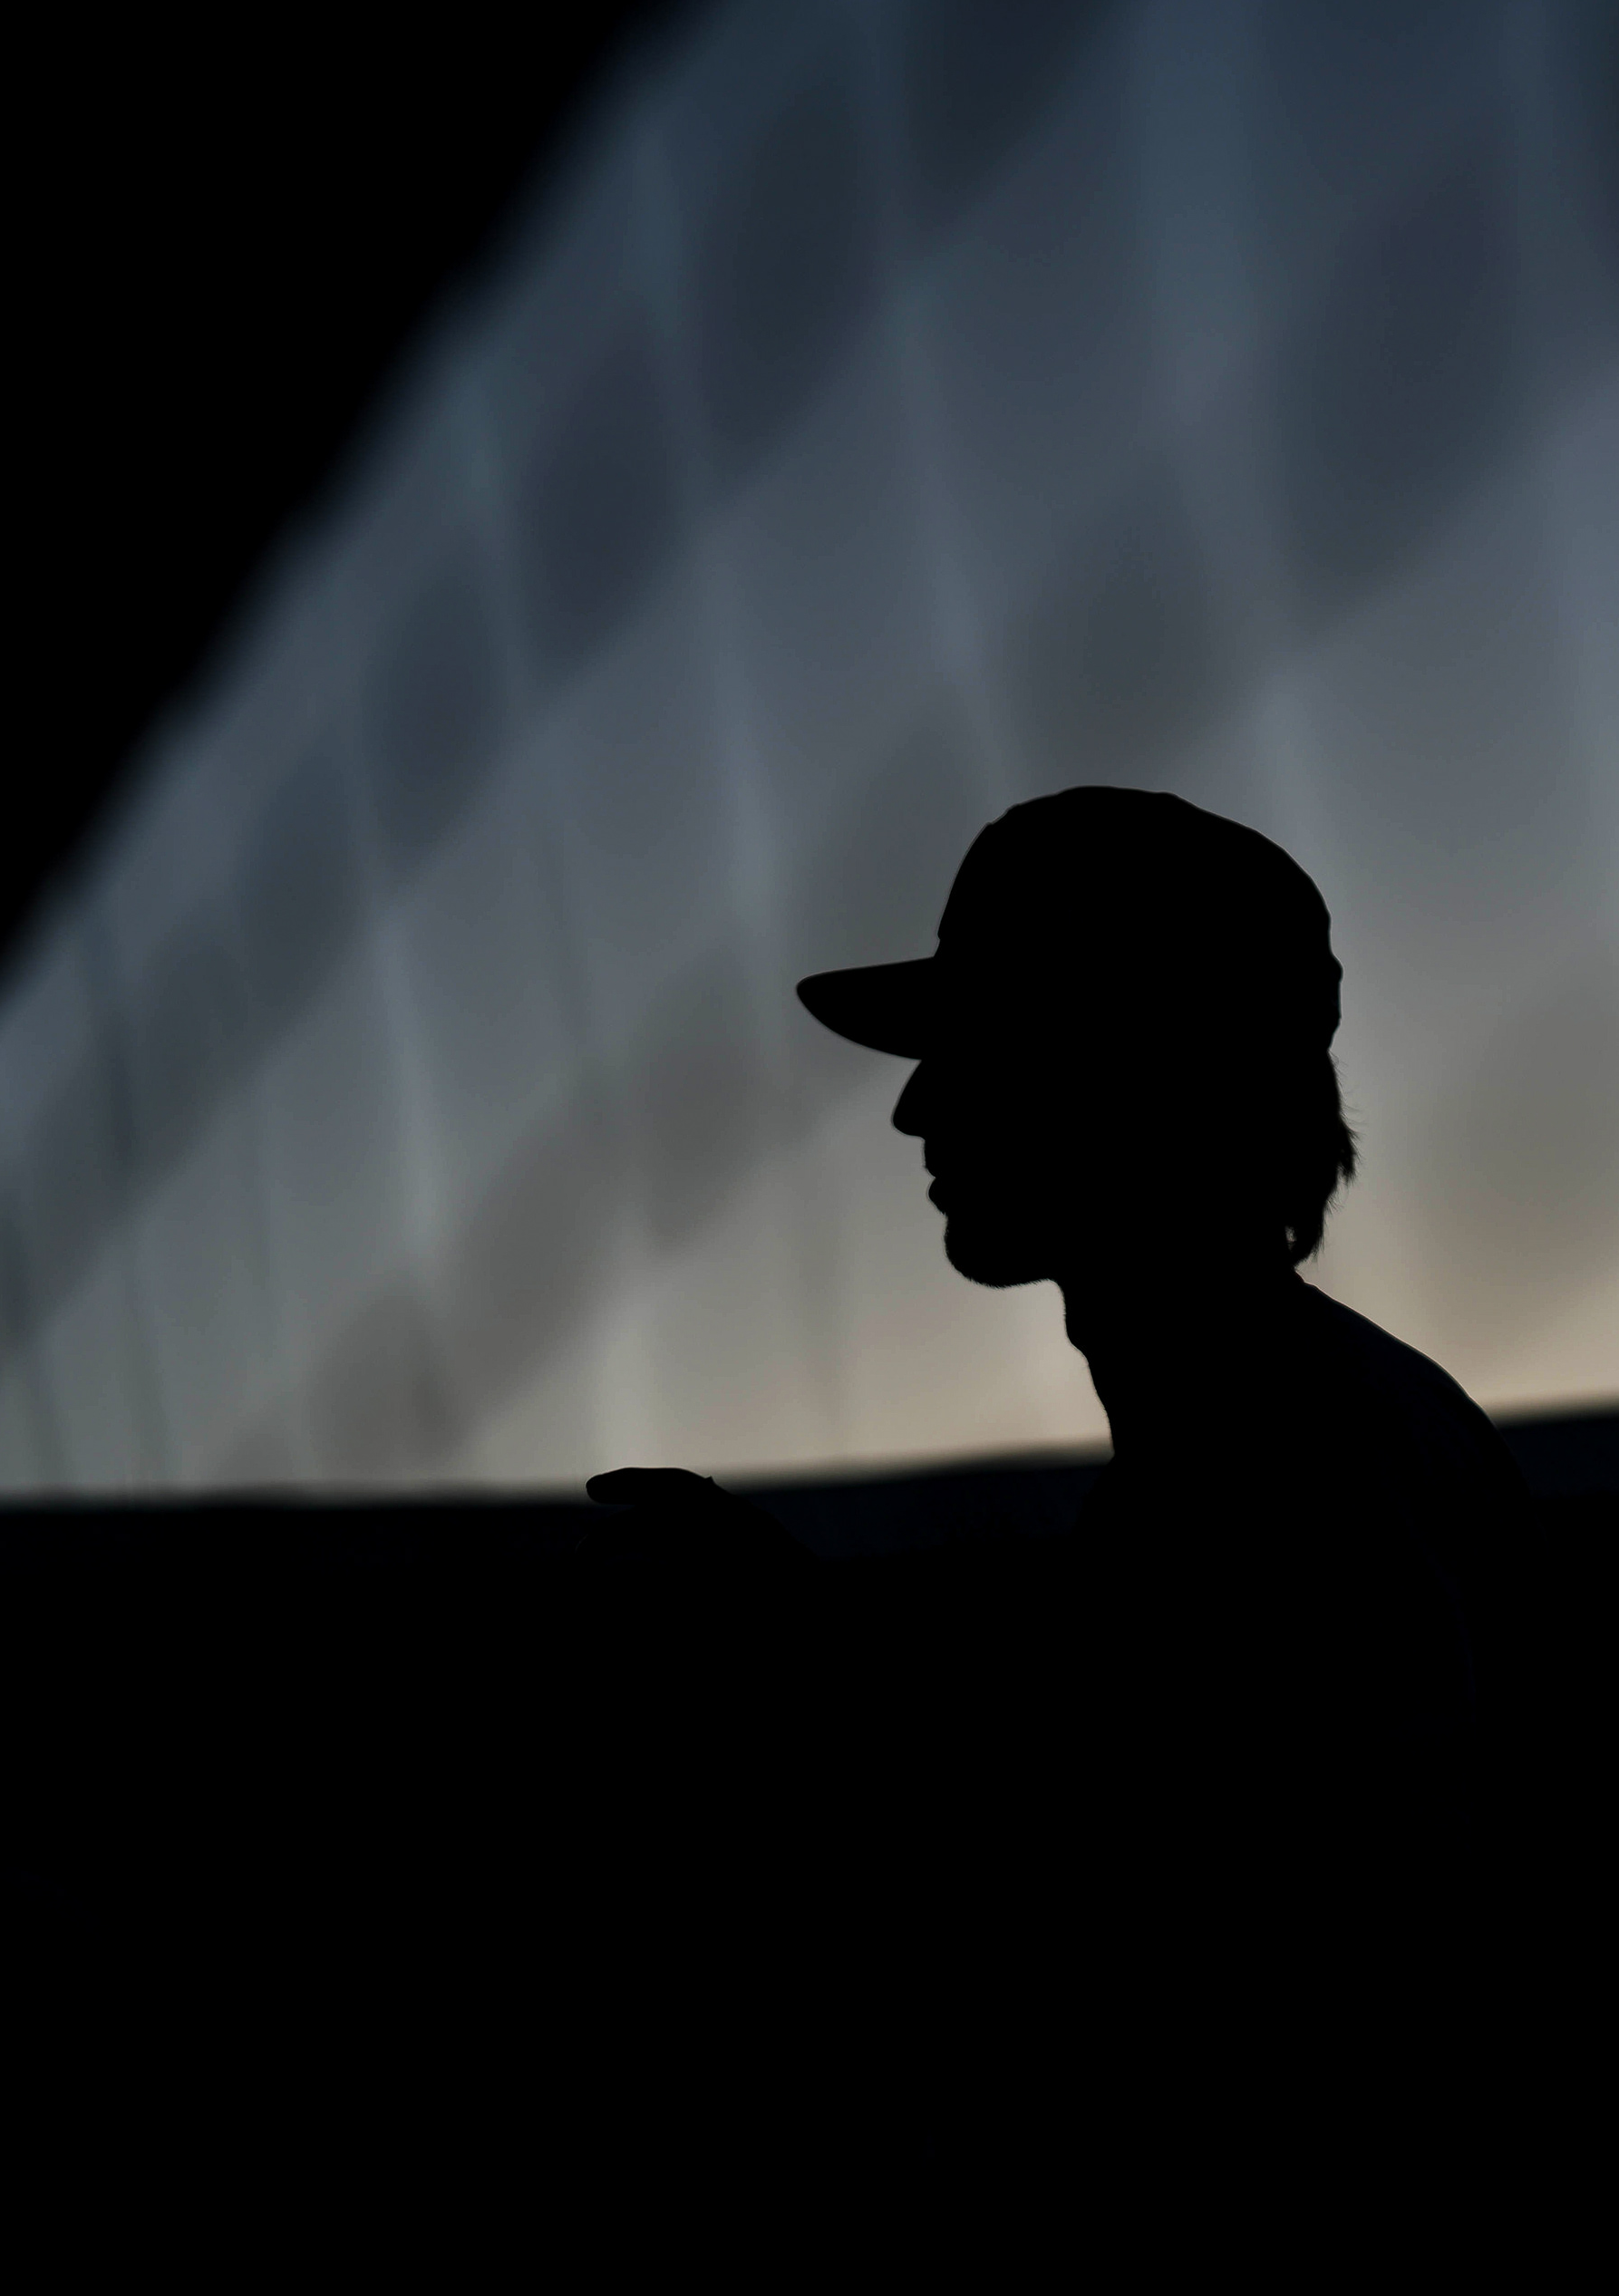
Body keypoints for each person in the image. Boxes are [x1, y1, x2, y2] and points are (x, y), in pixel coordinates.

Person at [584, 789, 1547, 2253]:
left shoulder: (1279, 1458)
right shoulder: (1295, 1425)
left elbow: (1260, 1973)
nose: (915, 1107)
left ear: (1134, 1076)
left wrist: (815, 1674)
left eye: (980, 1049)